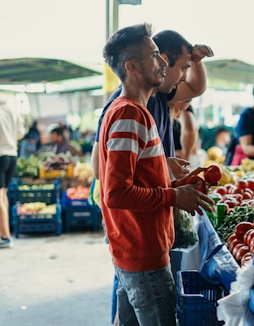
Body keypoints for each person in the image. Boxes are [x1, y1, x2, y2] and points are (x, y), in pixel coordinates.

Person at [92, 29, 213, 325]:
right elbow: (116, 193)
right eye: (154, 55)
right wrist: (173, 196)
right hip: (143, 255)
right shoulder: (128, 115)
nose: (162, 61)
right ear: (132, 67)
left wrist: (175, 185)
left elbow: (136, 181)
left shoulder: (137, 112)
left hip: (138, 252)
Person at [92, 29, 213, 181]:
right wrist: (164, 167)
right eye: (183, 68)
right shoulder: (125, 110)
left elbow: (196, 88)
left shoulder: (159, 95)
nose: (162, 62)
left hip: (156, 199)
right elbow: (101, 170)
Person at [0, 96, 25, 248]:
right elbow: (20, 133)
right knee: (3, 195)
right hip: (12, 154)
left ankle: (5, 237)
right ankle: (5, 233)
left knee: (0, 196)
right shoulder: (11, 105)